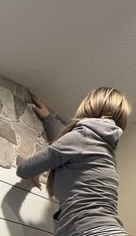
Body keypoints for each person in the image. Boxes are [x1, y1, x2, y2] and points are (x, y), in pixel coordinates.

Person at [16, 87, 131, 236]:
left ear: (89, 105)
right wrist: (49, 118)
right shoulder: (105, 150)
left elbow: (24, 169)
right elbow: (70, 143)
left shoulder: (82, 138)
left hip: (90, 231)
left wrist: (36, 170)